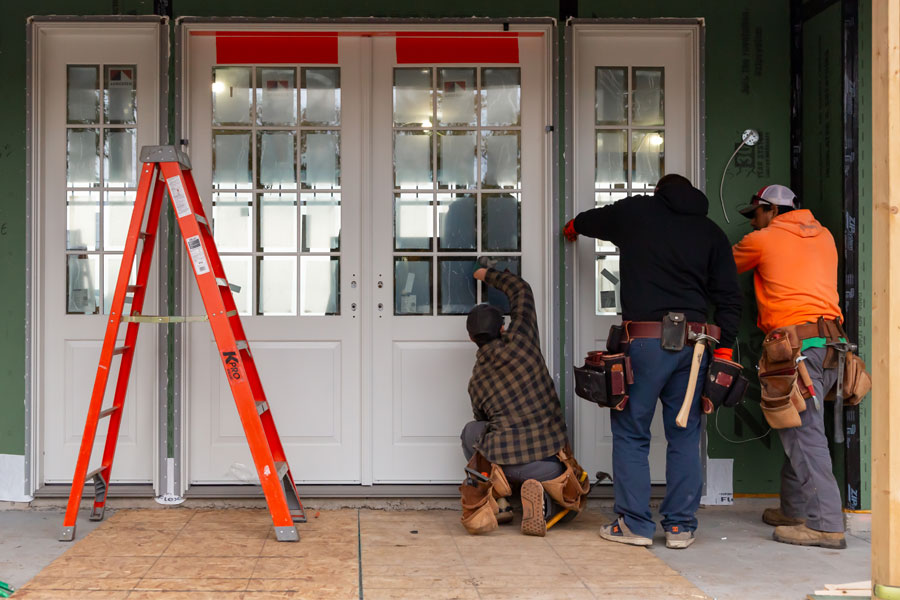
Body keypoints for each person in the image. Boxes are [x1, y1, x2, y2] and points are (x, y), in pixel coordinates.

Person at [563, 173, 742, 549]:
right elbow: (729, 297)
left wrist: (573, 226)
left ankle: (635, 525)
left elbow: (591, 219)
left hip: (644, 344)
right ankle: (679, 527)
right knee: (685, 435)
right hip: (696, 347)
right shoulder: (710, 232)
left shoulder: (637, 212)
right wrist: (723, 350)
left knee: (631, 432)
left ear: (658, 193)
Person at [732, 184, 847, 549]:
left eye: (756, 216)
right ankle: (794, 509)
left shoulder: (764, 240)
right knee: (800, 426)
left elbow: (718, 265)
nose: (753, 224)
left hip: (796, 348)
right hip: (833, 346)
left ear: (771, 210)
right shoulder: (825, 235)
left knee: (804, 436)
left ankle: (826, 525)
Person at [460, 266, 588, 537]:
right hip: (547, 464)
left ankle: (501, 499)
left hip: (504, 465)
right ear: (504, 328)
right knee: (562, 493)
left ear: (471, 338)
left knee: (472, 431)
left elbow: (483, 421)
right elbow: (521, 290)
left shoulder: (477, 380)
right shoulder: (523, 340)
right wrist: (485, 273)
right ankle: (543, 503)